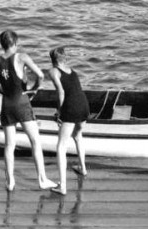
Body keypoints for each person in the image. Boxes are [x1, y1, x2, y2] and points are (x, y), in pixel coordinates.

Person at [0, 30, 55, 191]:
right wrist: (34, 89)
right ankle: (42, 179)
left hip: (7, 104)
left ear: (2, 44)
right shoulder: (22, 57)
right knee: (35, 141)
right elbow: (40, 75)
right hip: (22, 103)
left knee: (9, 145)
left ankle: (10, 182)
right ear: (16, 43)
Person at [48, 46, 89, 191]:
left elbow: (61, 92)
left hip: (71, 107)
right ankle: (83, 168)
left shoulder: (53, 71)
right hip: (84, 106)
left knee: (61, 146)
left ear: (52, 59)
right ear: (64, 59)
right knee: (78, 136)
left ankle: (62, 186)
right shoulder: (72, 71)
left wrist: (59, 112)